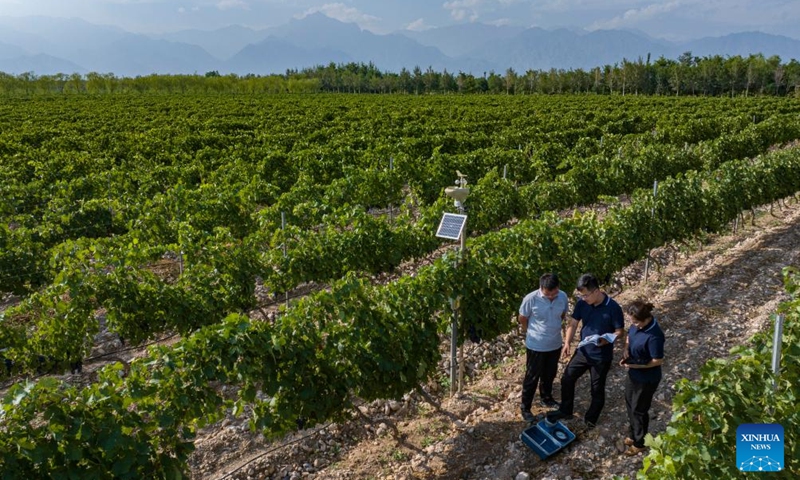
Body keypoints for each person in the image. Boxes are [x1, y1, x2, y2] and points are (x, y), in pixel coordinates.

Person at [547, 273, 624, 428]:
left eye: (586, 295)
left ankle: (591, 420)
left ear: (596, 291)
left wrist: (607, 339)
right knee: (567, 379)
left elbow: (620, 331)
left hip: (601, 357)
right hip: (583, 352)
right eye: (581, 296)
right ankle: (566, 410)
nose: (583, 299)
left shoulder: (613, 308)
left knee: (596, 389)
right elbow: (574, 323)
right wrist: (567, 342)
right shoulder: (582, 304)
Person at [518, 273, 569, 422]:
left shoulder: (563, 296)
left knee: (549, 373)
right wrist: (530, 332)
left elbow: (562, 314)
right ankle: (525, 407)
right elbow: (522, 318)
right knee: (532, 377)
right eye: (548, 295)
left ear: (558, 288)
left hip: (554, 344)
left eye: (554, 293)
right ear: (541, 289)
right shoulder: (531, 299)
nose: (552, 297)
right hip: (536, 346)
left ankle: (546, 398)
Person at [619, 300, 665, 456]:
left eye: (636, 322)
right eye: (632, 322)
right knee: (629, 403)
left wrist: (636, 366)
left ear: (646, 319)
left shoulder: (655, 336)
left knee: (639, 409)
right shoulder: (636, 325)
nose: (634, 325)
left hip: (647, 378)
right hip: (634, 372)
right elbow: (629, 337)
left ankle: (640, 443)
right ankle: (633, 435)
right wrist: (626, 350)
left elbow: (657, 360)